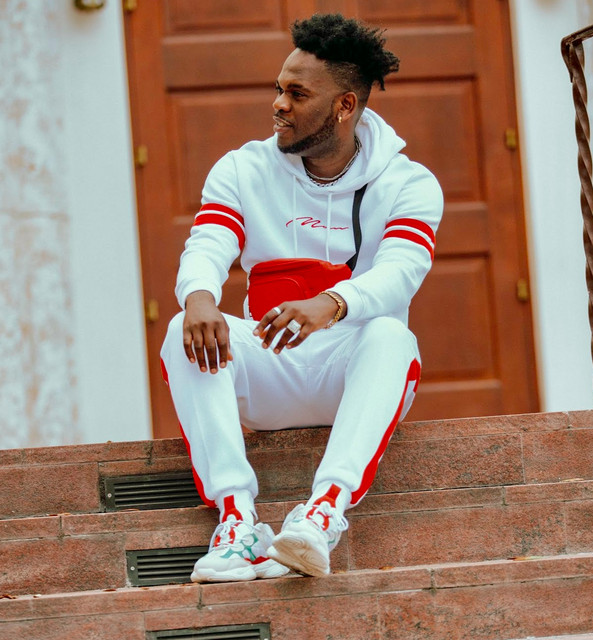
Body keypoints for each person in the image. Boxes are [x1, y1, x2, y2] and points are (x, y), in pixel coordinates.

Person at [160, 13, 443, 583]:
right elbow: (209, 242)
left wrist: (331, 304)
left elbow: (401, 272)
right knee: (179, 328)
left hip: (352, 375)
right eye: (279, 89)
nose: (279, 105)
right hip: (270, 369)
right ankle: (237, 524)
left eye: (297, 94)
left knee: (392, 334)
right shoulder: (243, 168)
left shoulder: (408, 183)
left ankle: (321, 515)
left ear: (344, 106)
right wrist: (199, 296)